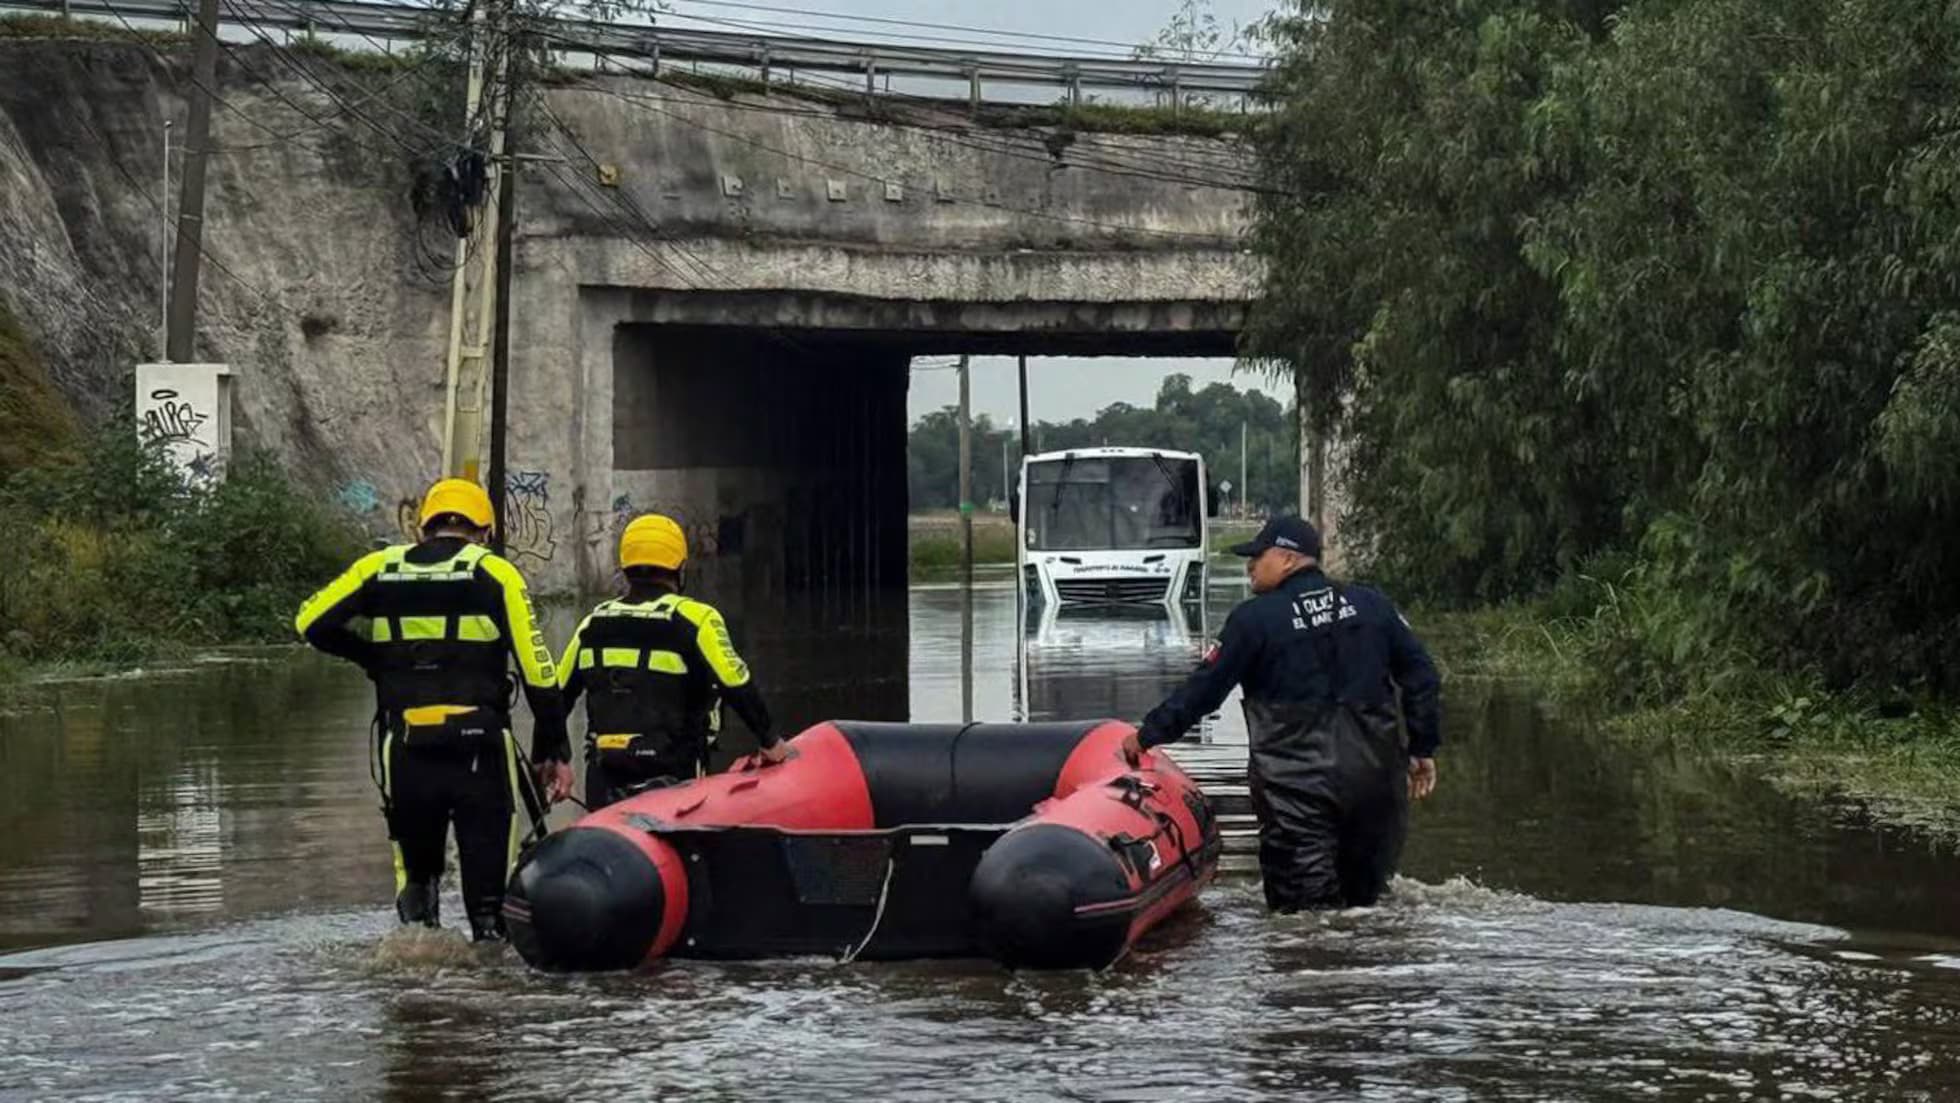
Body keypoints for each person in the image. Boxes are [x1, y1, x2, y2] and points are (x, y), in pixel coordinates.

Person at [294, 478, 575, 941]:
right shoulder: (495, 572)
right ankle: (488, 968)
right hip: (480, 752)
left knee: (417, 892)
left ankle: (417, 964)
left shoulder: (378, 567)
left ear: (423, 528)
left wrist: (373, 659)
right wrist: (554, 750)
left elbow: (310, 622)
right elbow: (539, 672)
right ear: (484, 531)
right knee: (490, 908)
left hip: (406, 750)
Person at [1125, 515, 1440, 912]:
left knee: (1301, 919)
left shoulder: (1254, 620)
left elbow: (1203, 692)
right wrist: (1422, 747)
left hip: (1296, 793)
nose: (1250, 566)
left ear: (1289, 558)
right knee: (1367, 908)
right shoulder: (1372, 605)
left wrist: (1146, 736)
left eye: (1258, 556)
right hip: (1375, 787)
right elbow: (1422, 676)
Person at [558, 513, 785, 809]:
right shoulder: (698, 619)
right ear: (680, 569)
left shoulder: (592, 623)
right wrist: (770, 741)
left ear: (625, 569)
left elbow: (556, 697)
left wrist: (554, 755)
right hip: (675, 776)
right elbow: (737, 685)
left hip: (604, 778)